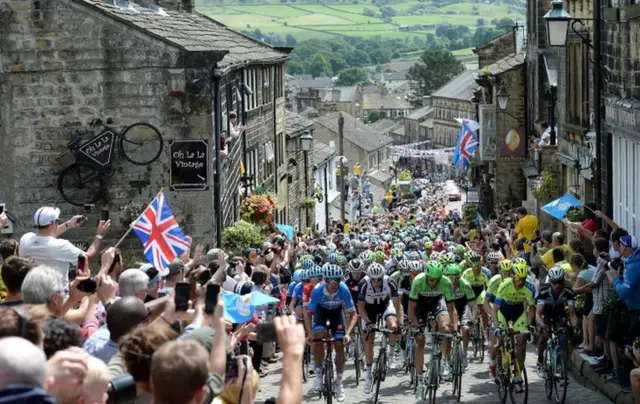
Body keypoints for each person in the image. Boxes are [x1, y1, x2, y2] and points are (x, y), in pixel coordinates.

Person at [19, 206, 110, 294]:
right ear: (53, 223)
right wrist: (99, 235)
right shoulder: (61, 246)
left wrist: (68, 224)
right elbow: (87, 257)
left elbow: (46, 236)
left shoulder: (25, 240)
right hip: (57, 298)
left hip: (32, 297)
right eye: (57, 221)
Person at [306, 264, 357, 402]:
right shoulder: (317, 290)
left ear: (340, 280)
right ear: (324, 280)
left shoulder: (344, 290)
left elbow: (353, 314)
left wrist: (348, 333)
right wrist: (310, 333)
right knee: (318, 337)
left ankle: (339, 383)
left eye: (336, 280)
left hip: (336, 313)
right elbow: (308, 313)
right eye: (329, 280)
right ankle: (317, 375)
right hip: (321, 313)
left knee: (340, 346)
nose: (333, 284)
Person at [408, 261, 455, 396]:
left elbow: (451, 308)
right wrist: (416, 325)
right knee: (420, 340)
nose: (433, 283)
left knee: (446, 330)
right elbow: (411, 308)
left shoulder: (446, 282)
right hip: (420, 305)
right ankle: (420, 379)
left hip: (437, 303)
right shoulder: (418, 281)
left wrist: (454, 327)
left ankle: (445, 361)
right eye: (431, 280)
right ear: (426, 275)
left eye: (436, 280)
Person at [491, 260, 536, 392]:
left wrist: (527, 326)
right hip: (503, 312)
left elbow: (531, 308)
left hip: (518, 312)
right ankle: (496, 364)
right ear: (512, 276)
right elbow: (495, 309)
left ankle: (517, 375)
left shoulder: (530, 287)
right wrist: (496, 326)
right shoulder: (505, 284)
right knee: (499, 341)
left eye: (522, 279)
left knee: (521, 340)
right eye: (517, 279)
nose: (520, 282)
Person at [357, 262, 401, 393]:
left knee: (393, 325)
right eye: (373, 279)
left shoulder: (390, 282)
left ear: (383, 277)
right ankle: (368, 374)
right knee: (369, 338)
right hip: (368, 309)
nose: (376, 282)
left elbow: (398, 305)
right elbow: (360, 307)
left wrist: (400, 323)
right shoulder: (363, 284)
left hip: (385, 305)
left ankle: (391, 353)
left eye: (379, 279)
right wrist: (368, 322)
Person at [535, 266, 578, 376]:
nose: (557, 285)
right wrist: (541, 324)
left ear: (563, 280)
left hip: (560, 314)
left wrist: (575, 326)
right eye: (554, 282)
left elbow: (572, 313)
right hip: (546, 314)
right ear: (550, 281)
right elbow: (538, 313)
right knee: (544, 335)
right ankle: (540, 361)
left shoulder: (568, 290)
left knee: (563, 337)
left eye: (560, 282)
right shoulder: (544, 291)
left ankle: (561, 364)